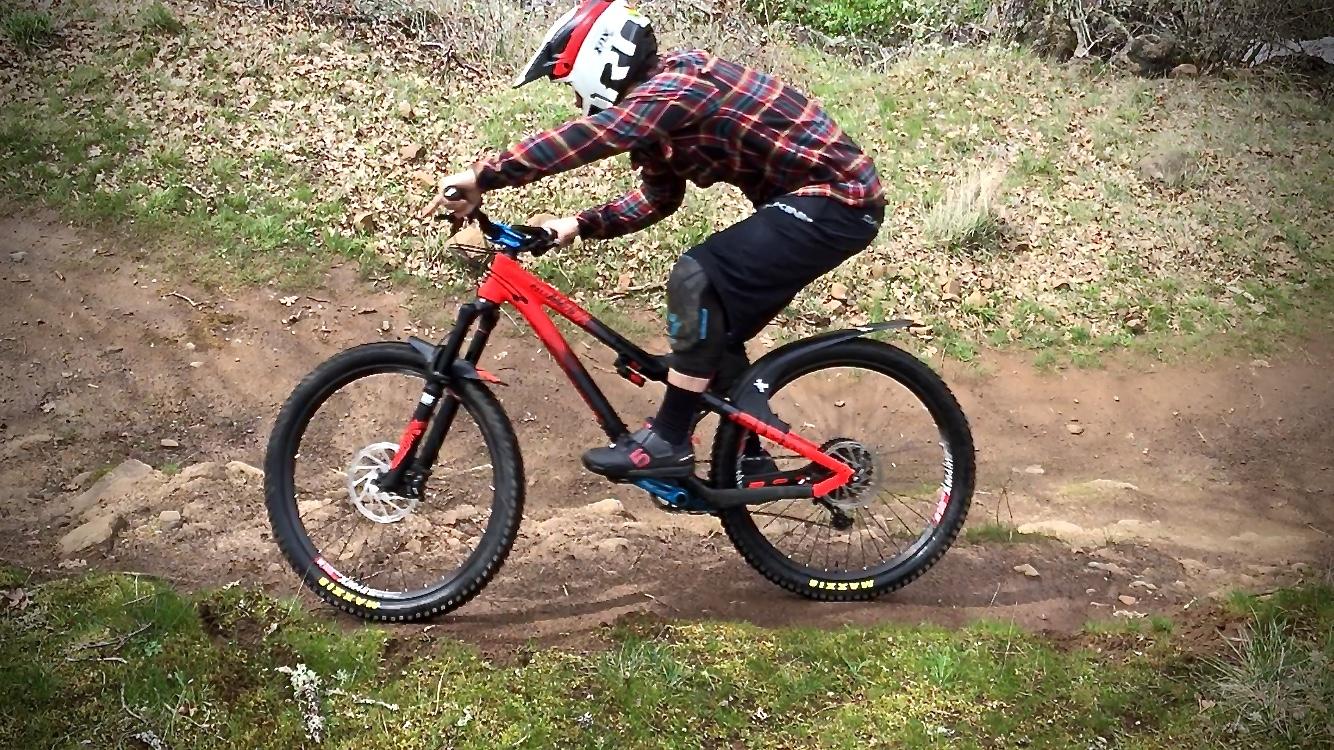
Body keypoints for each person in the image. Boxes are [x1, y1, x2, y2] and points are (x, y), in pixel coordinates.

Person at [420, 0, 885, 480]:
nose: (574, 96)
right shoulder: (655, 114)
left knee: (697, 277)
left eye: (569, 80)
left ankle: (667, 441)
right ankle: (751, 457)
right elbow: (659, 197)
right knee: (711, 333)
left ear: (598, 61)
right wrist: (578, 224)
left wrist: (485, 174)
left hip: (840, 199)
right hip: (804, 206)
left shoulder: (680, 83)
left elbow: (599, 134)